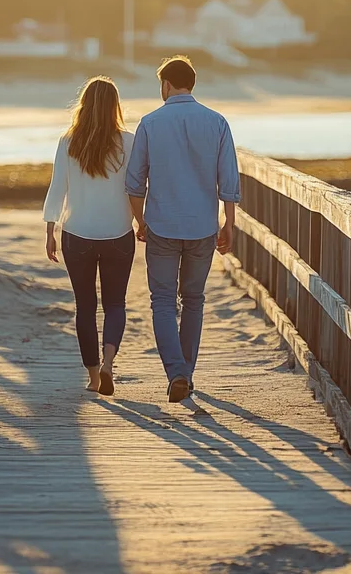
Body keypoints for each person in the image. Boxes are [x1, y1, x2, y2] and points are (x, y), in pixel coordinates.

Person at [125, 56, 240, 403]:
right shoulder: (217, 122)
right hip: (202, 226)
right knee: (194, 300)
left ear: (165, 85)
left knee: (162, 300)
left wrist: (140, 220)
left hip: (161, 224)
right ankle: (186, 374)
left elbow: (134, 182)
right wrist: (228, 222)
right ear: (191, 83)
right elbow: (229, 180)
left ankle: (176, 372)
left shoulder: (150, 123)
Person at [43, 76, 137, 396]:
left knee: (85, 306)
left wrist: (50, 231)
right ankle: (110, 363)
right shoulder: (130, 141)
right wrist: (144, 222)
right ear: (115, 107)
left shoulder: (68, 141)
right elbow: (138, 189)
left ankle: (95, 376)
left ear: (83, 105)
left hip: (77, 234)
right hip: (118, 233)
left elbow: (58, 189)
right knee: (115, 304)